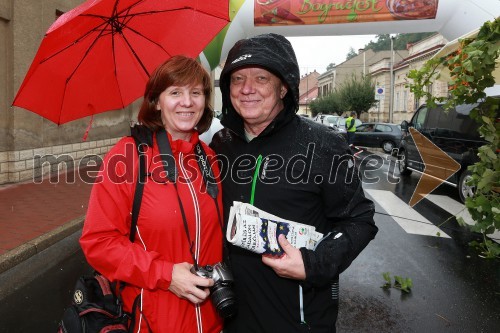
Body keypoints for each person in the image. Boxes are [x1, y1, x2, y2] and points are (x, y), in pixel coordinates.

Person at [210, 33, 378, 332]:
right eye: (237, 79)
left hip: (299, 318)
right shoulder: (221, 144)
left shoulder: (323, 144)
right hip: (234, 317)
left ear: (283, 86)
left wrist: (314, 264)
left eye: (261, 78)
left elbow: (360, 220)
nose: (247, 89)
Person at [80, 55, 224, 333]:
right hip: (152, 322)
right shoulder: (127, 156)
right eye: (175, 92)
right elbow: (98, 242)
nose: (187, 101)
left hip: (212, 321)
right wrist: (166, 274)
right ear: (156, 102)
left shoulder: (210, 158)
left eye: (196, 92)